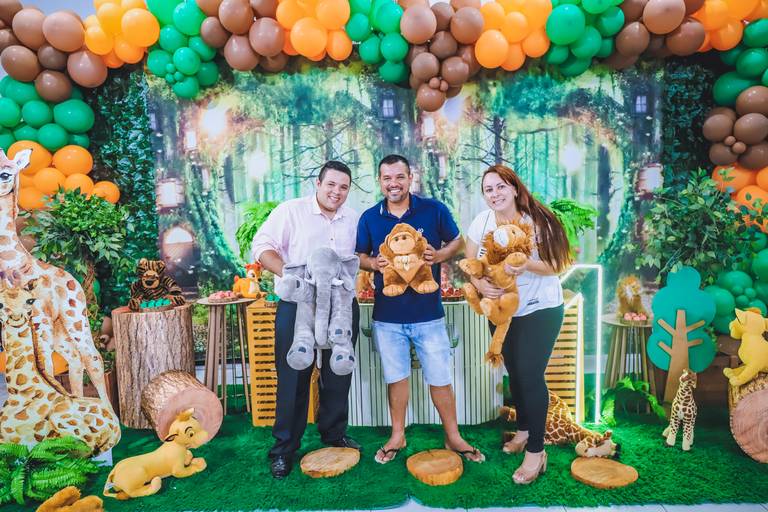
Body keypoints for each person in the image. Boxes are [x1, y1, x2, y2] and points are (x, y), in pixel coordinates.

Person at [356, 154, 484, 464]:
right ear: (379, 181)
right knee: (396, 378)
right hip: (387, 318)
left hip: (429, 316)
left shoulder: (434, 210)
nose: (394, 184)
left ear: (410, 178)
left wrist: (438, 255)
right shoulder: (370, 217)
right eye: (387, 178)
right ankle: (397, 435)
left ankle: (453, 436)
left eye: (399, 177)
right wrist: (373, 262)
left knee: (440, 378)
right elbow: (359, 256)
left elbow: (457, 241)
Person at [251, 161, 361, 479]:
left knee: (338, 374)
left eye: (343, 187)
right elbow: (262, 247)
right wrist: (291, 275)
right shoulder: (291, 211)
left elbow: (362, 257)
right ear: (318, 183)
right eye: (331, 185)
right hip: (298, 305)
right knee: (293, 377)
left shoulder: (353, 219)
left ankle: (334, 435)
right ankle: (283, 449)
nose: (336, 192)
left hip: (341, 308)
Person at [464, 165, 572, 484]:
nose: (495, 194)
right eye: (488, 189)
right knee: (514, 373)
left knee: (529, 375)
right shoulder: (481, 222)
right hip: (502, 312)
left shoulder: (538, 220)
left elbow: (558, 265)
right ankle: (524, 431)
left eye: (500, 186)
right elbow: (471, 265)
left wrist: (526, 265)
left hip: (540, 309)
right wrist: (481, 285)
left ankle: (536, 453)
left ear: (514, 188)